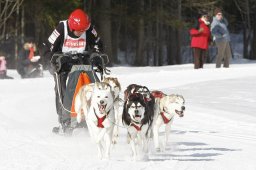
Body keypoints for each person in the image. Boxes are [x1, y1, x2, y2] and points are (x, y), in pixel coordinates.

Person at [43, 9, 103, 134]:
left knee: (93, 85)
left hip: (83, 61)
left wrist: (96, 55)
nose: (82, 32)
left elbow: (98, 44)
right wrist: (55, 60)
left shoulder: (89, 28)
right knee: (62, 88)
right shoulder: (61, 28)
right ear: (72, 26)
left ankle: (94, 115)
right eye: (79, 31)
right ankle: (64, 119)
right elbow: (47, 49)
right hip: (63, 63)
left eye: (84, 30)